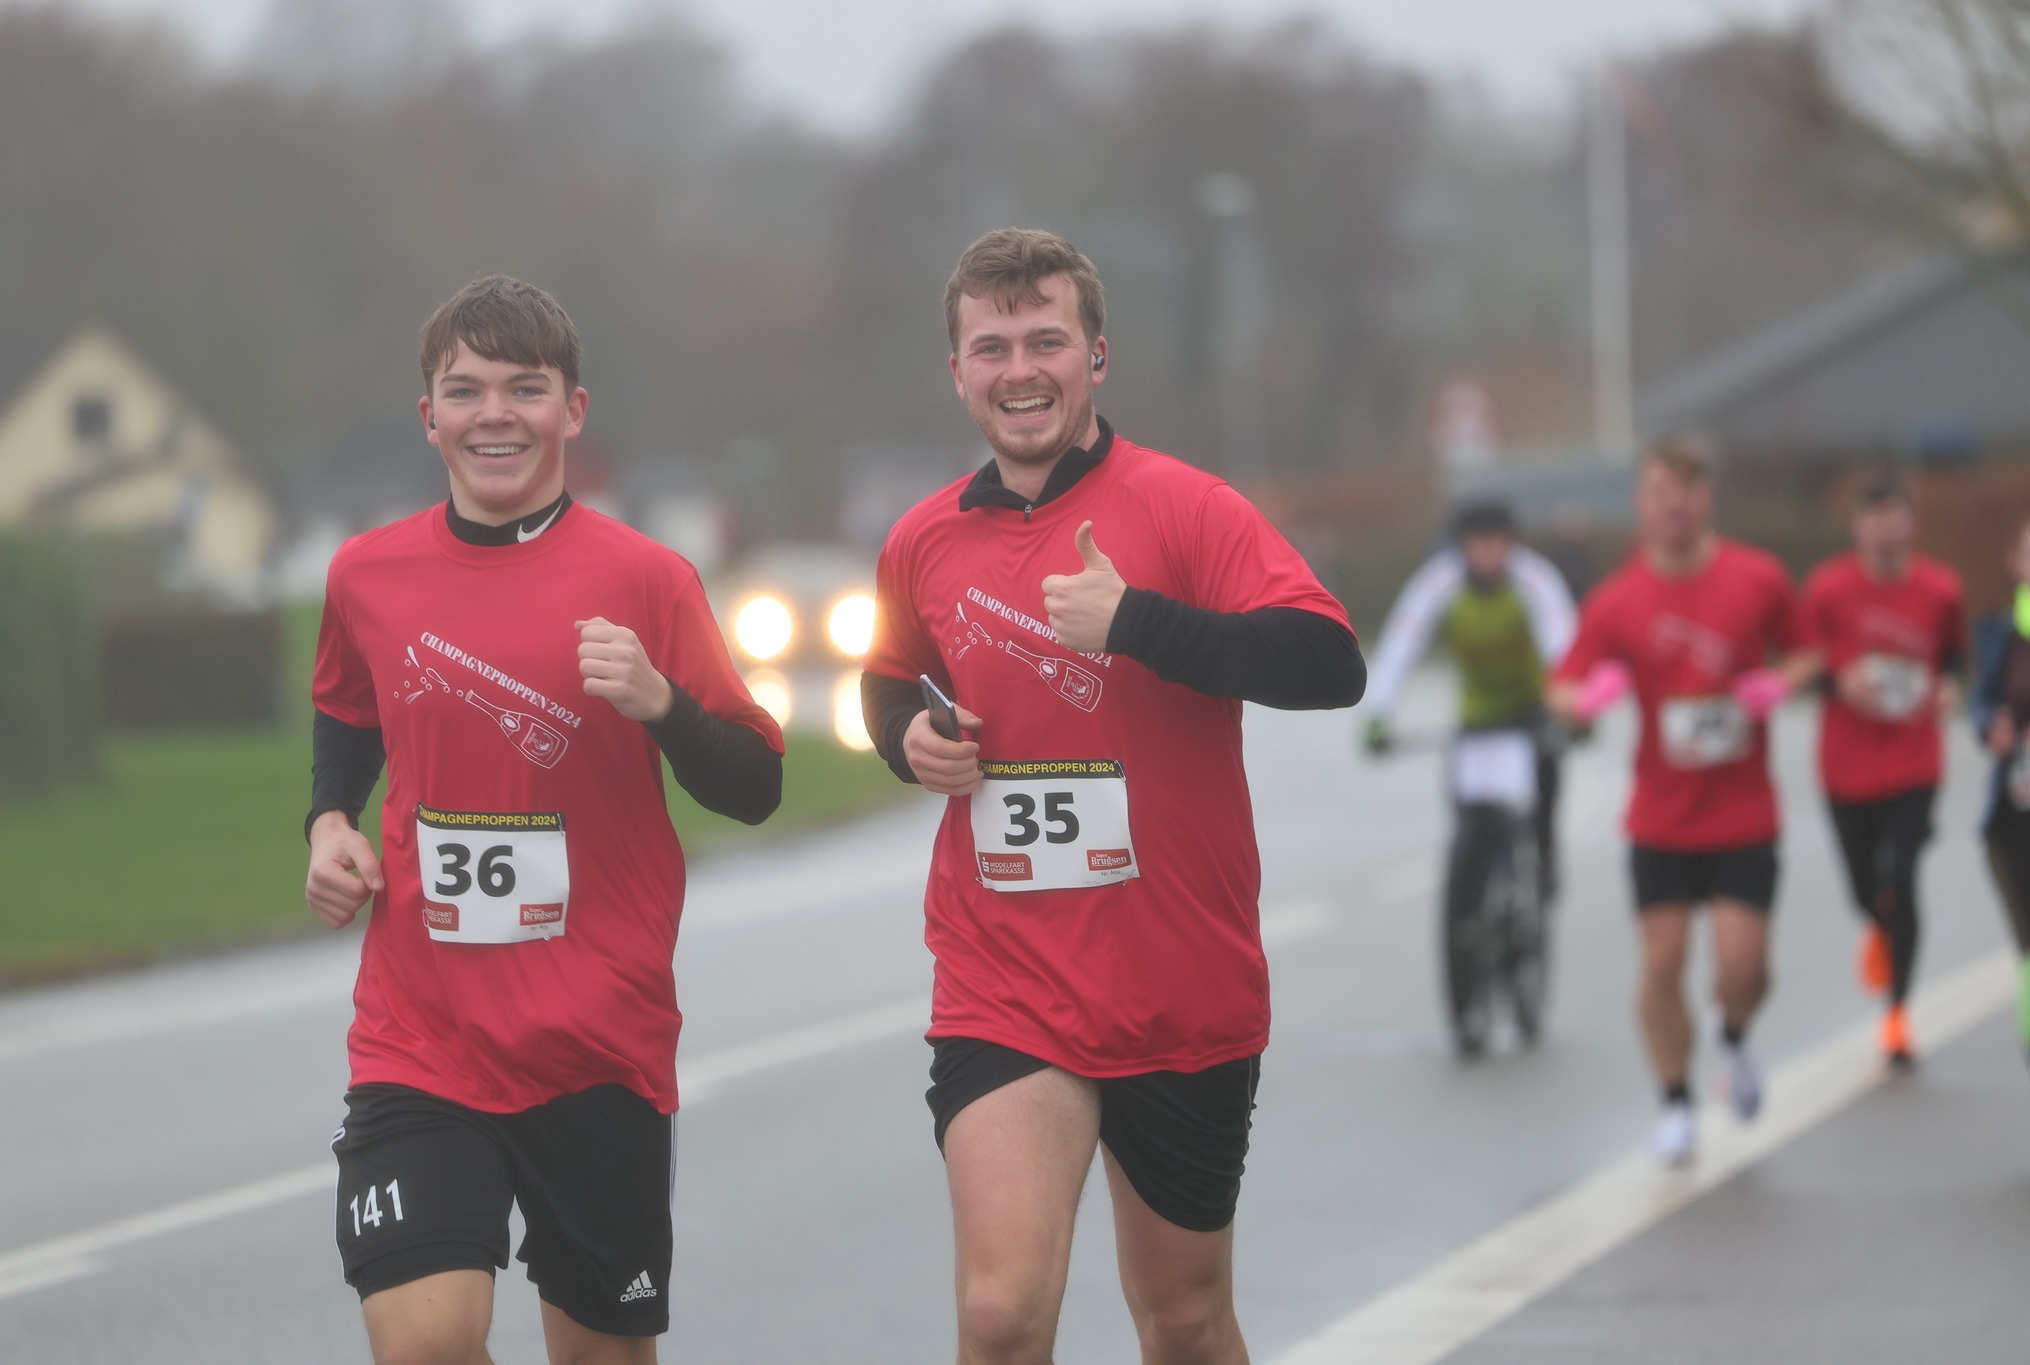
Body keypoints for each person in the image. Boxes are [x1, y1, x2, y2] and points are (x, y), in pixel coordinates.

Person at [860, 228, 1365, 1365]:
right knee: (999, 1315)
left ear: (1097, 356)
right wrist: (908, 741)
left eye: (1045, 339)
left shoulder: (1187, 509)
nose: (1019, 368)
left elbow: (1329, 665)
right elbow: (885, 680)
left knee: (1180, 1318)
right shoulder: (922, 539)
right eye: (990, 347)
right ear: (957, 373)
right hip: (1004, 976)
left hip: (1178, 977)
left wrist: (1136, 623)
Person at [305, 275, 783, 1365]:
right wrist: (328, 821)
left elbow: (753, 784)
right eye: (464, 390)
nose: (494, 414)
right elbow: (346, 709)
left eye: (525, 388)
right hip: (418, 1040)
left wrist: (660, 704)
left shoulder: (648, 580)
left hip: (596, 1048)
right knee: (422, 1343)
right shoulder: (365, 575)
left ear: (572, 409)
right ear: (428, 416)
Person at [1547, 436, 1820, 1165]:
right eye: (1660, 490)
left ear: (1706, 501)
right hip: (1661, 815)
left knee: (1744, 965)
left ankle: (1732, 1034)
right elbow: (1561, 684)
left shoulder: (1757, 578)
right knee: (1662, 963)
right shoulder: (1617, 600)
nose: (1674, 503)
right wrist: (1588, 697)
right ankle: (1675, 1099)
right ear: (1640, 505)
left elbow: (1807, 648)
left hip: (1743, 812)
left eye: (1687, 489)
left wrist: (1782, 684)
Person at [1800, 479, 1966, 1065]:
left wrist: (1949, 687)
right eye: (1872, 519)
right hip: (1846, 764)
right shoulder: (1827, 588)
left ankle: (1897, 1011)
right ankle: (1880, 926)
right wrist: (1838, 682)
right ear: (1857, 528)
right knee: (1865, 890)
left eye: (1894, 518)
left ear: (1909, 525)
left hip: (1914, 760)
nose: (1884, 530)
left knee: (1901, 876)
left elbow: (1952, 656)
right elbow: (1802, 662)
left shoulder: (1941, 588)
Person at [1361, 497, 1578, 899]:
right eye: (1479, 543)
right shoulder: (1438, 581)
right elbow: (1402, 642)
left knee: (1546, 775)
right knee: (1466, 807)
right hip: (1478, 713)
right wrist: (1378, 712)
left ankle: (1545, 857)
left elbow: (1561, 642)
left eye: (1499, 542)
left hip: (1531, 707)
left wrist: (1573, 707)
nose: (1490, 553)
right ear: (1461, 546)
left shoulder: (1535, 578)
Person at [1971, 509, 2030, 1156]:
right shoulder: (2000, 634)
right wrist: (1990, 728)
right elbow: (1980, 703)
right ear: (2018, 564)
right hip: (2019, 822)